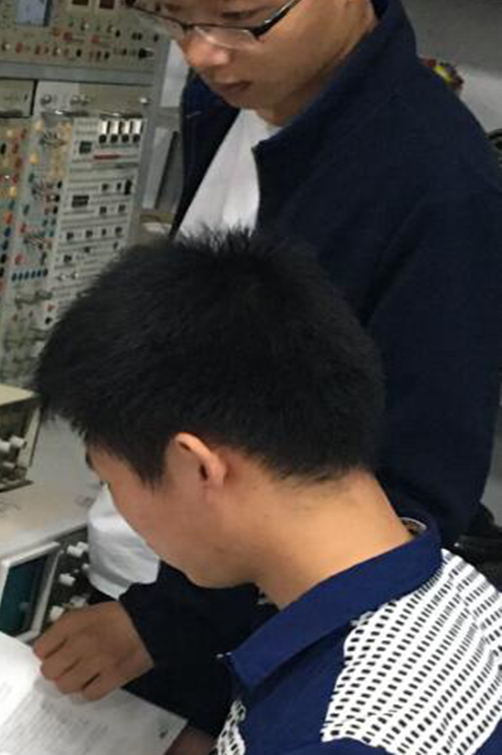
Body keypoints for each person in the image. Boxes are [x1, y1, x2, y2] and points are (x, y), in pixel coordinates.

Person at [33, 0, 502, 742]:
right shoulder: (230, 101)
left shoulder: (438, 187)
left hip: (253, 632)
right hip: (156, 566)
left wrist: (170, 627)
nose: (203, 53)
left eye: (241, 18)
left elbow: (411, 496)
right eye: (176, 13)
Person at [35, 230, 502, 755]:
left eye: (110, 481)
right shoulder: (455, 589)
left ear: (196, 467)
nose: (120, 507)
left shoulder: (336, 737)